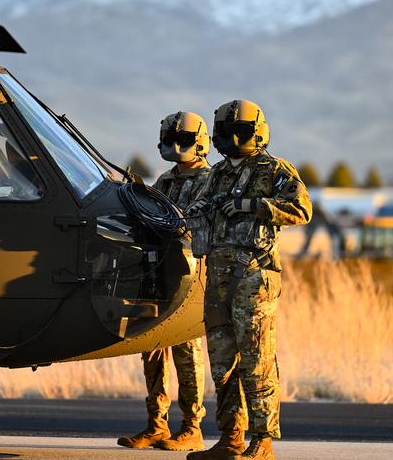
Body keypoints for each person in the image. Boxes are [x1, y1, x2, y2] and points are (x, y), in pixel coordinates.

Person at [186, 100, 311, 460]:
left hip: (254, 278)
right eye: (224, 131)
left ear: (256, 131)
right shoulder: (217, 174)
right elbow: (196, 209)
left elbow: (302, 209)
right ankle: (230, 438)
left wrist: (254, 206)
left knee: (257, 359)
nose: (229, 137)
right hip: (218, 277)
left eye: (236, 130)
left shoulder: (274, 170)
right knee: (222, 363)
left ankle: (263, 440)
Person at [117, 111, 211, 452]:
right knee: (152, 348)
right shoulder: (166, 181)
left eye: (182, 140)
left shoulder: (210, 180)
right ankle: (157, 424)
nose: (174, 146)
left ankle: (192, 426)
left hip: (191, 273)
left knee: (187, 351)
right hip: (160, 272)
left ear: (200, 143)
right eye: (169, 139)